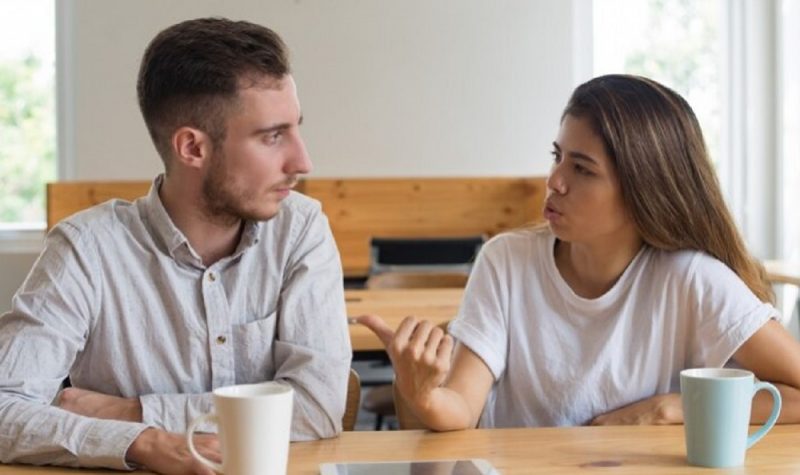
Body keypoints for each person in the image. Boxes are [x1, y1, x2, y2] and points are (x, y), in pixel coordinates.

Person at [0, 17, 351, 473]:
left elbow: (318, 407)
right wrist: (144, 443)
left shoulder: (300, 230)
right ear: (192, 148)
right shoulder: (86, 248)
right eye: (272, 136)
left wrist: (134, 415)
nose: (303, 161)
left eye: (295, 128)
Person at [359, 74, 800, 431]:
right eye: (557, 156)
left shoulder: (692, 280)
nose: (555, 180)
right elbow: (461, 408)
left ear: (645, 190)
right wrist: (425, 394)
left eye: (582, 169)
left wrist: (679, 407)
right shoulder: (505, 261)